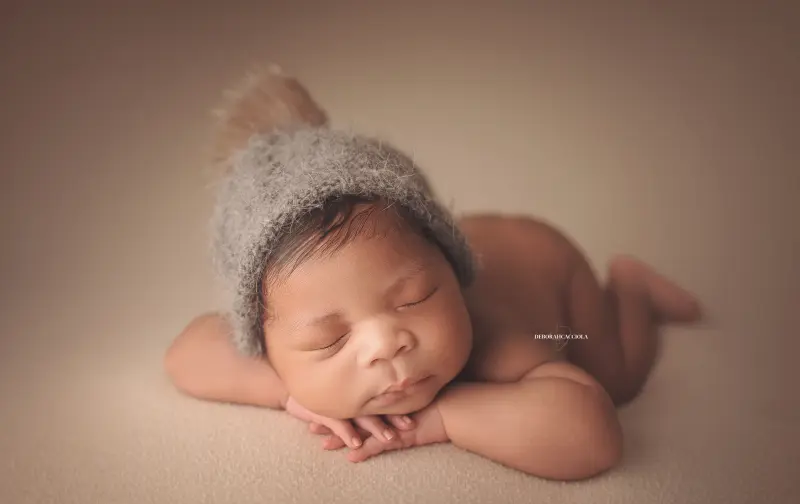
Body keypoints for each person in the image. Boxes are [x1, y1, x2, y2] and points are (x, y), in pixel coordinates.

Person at [163, 65, 702, 481]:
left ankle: (629, 286)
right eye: (329, 340)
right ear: (262, 341)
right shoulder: (284, 332)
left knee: (617, 375)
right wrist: (289, 392)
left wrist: (445, 418)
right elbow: (184, 353)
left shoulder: (490, 340)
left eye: (415, 298)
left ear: (452, 266)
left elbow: (592, 435)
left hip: (548, 267)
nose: (387, 343)